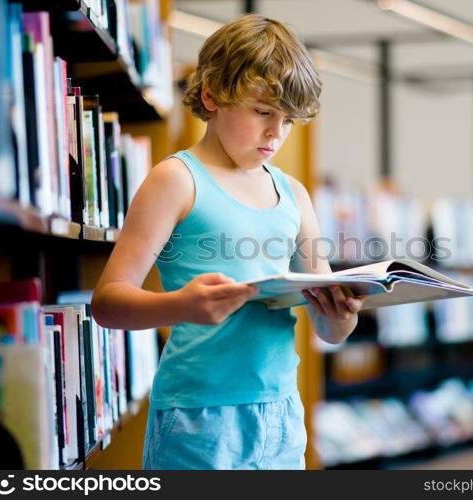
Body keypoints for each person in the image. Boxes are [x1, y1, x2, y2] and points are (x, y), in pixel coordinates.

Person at [91, 13, 365, 470]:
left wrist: (341, 316)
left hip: (281, 413)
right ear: (211, 94)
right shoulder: (176, 180)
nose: (276, 132)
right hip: (199, 414)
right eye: (262, 112)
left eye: (288, 119)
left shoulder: (293, 194)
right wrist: (183, 306)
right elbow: (107, 303)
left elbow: (329, 330)